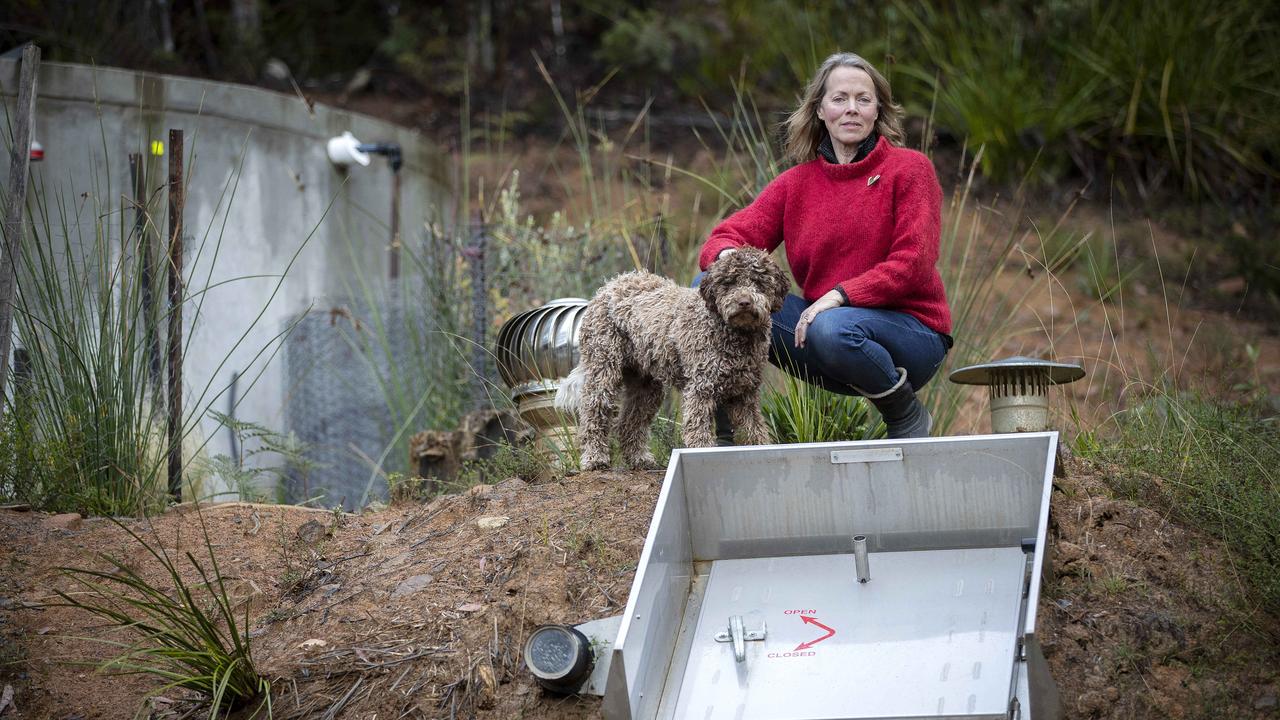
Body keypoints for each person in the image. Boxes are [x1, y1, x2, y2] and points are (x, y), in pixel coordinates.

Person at [695, 51, 952, 439]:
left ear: (877, 109)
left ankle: (905, 415)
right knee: (706, 289)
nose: (851, 109)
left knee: (831, 327)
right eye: (839, 99)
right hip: (819, 338)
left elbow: (914, 262)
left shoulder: (910, 169)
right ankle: (725, 435)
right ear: (819, 110)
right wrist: (729, 261)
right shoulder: (795, 184)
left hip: (910, 338)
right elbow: (723, 238)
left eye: (863, 99)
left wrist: (840, 295)